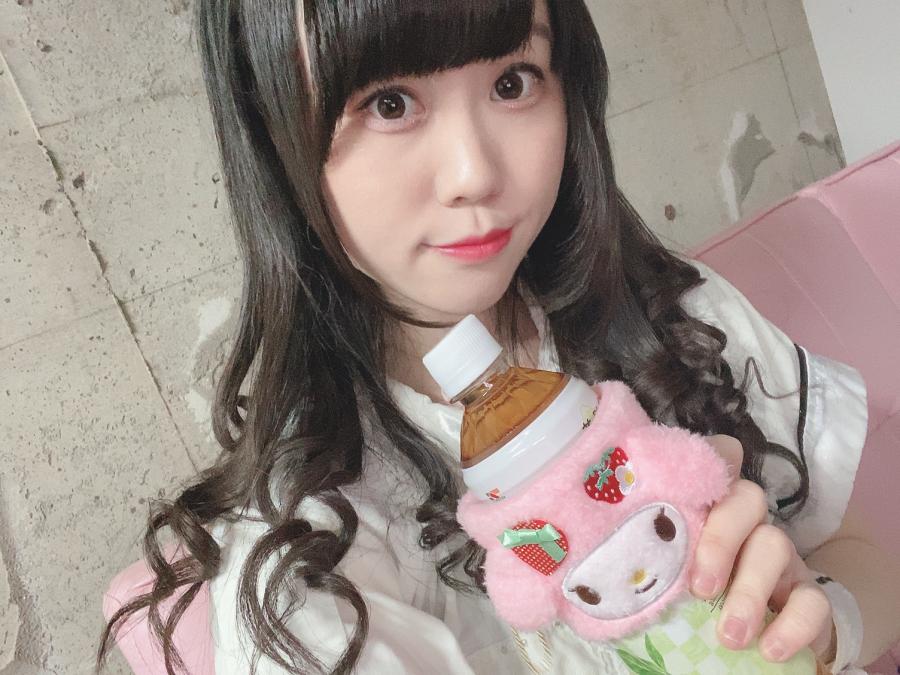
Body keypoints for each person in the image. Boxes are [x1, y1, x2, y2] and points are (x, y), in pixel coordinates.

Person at [98, 1, 900, 673]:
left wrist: (822, 625)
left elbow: (859, 554)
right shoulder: (313, 557)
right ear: (274, 134)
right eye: (389, 103)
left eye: (513, 81)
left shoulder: (667, 312)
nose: (473, 172)